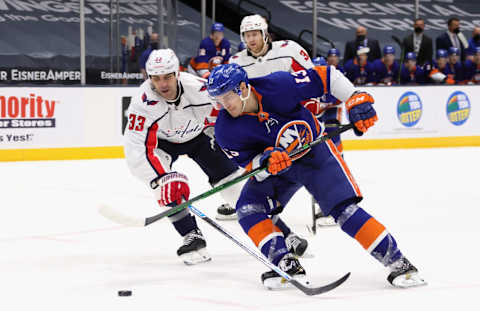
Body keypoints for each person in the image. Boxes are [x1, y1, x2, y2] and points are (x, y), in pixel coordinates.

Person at [206, 63, 426, 289]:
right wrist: (264, 162)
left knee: (344, 211)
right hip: (279, 169)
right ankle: (285, 263)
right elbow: (247, 163)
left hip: (315, 155)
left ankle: (399, 264)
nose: (223, 104)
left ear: (243, 88)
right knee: (248, 209)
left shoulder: (279, 86)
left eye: (226, 96)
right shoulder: (226, 129)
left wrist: (354, 96)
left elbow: (327, 76)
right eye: (218, 99)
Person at [123, 49, 245, 265]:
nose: (162, 84)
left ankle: (274, 229)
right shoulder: (142, 103)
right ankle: (191, 235)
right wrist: (160, 178)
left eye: (167, 77)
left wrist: (244, 148)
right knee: (166, 187)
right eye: (156, 78)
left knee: (233, 183)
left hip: (199, 137)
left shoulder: (199, 88)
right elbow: (136, 149)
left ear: (177, 73)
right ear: (149, 78)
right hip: (162, 144)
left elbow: (229, 114)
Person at [228, 14, 338, 228]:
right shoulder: (236, 62)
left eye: (255, 34)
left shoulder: (289, 50)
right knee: (266, 166)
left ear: (265, 34)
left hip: (293, 118)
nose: (251, 40)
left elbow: (311, 80)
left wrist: (310, 111)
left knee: (315, 161)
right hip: (263, 125)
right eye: (247, 35)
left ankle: (328, 204)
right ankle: (255, 204)